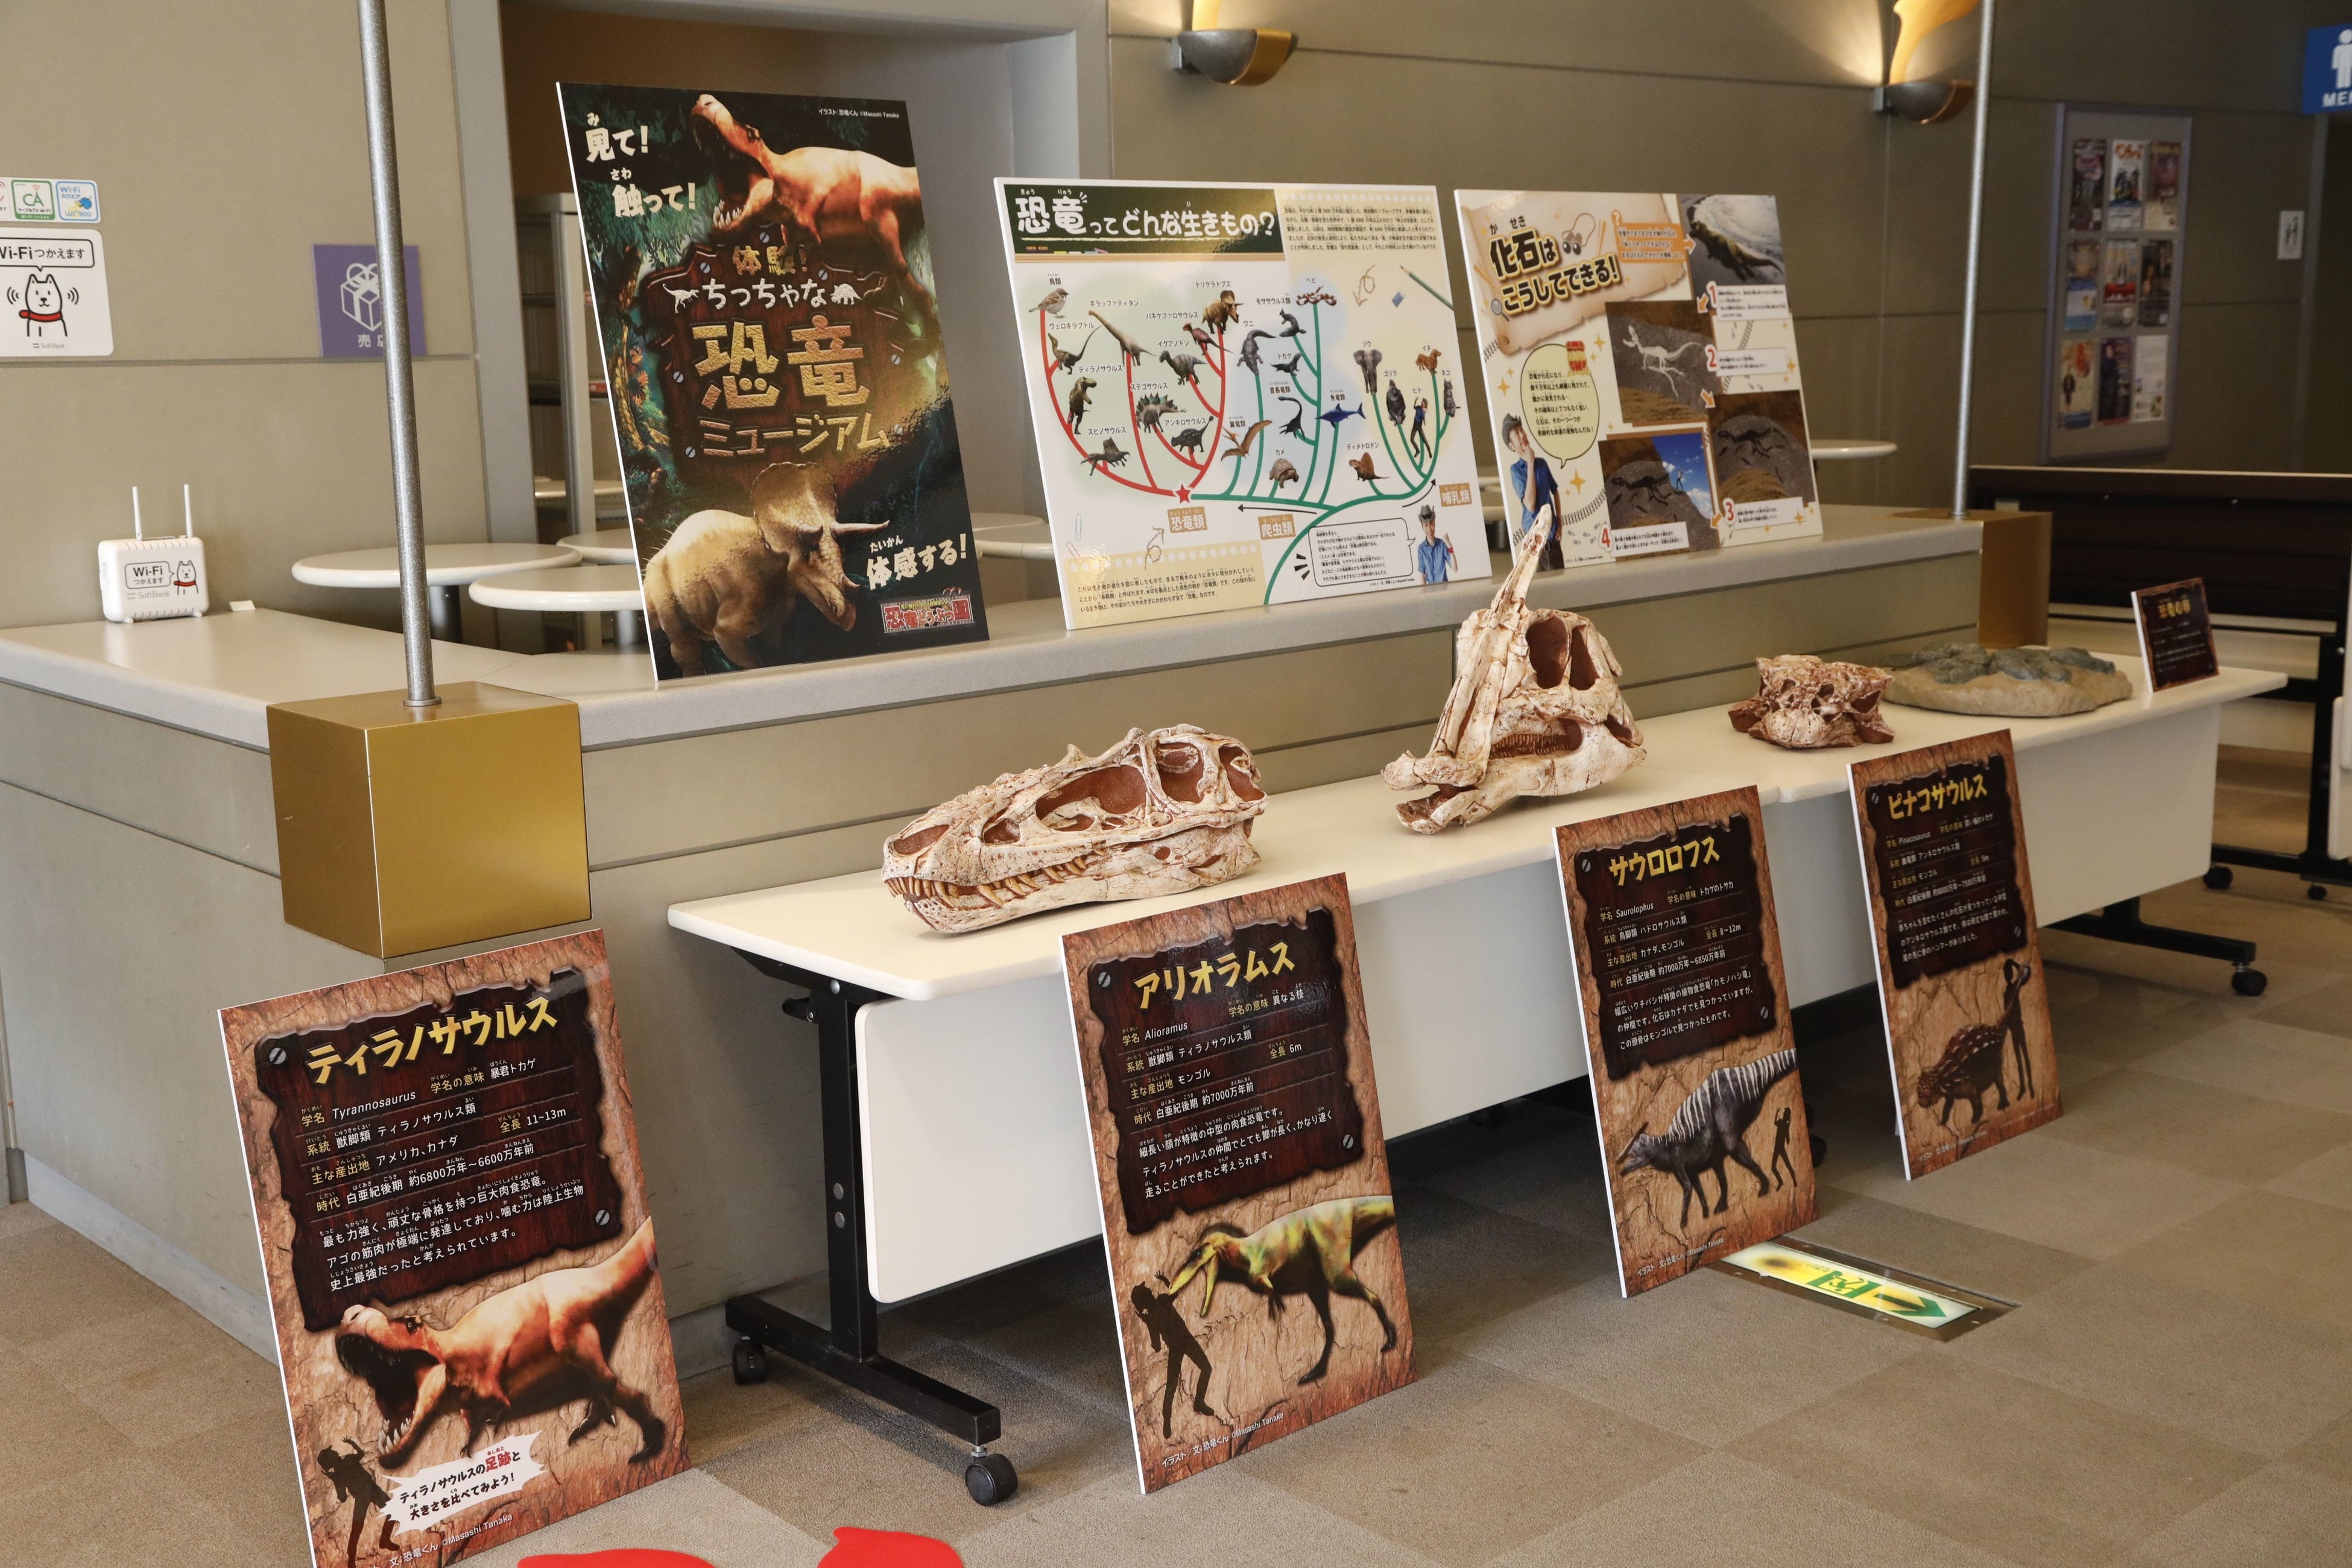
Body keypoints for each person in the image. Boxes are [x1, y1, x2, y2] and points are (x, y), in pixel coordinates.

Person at [1131, 1283, 1215, 1437]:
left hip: (1180, 1344)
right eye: (1146, 1291)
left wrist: (1148, 1323)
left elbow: (1157, 1347)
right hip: (1183, 1342)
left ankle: (1182, 1411)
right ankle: (1195, 1404)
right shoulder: (1161, 1302)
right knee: (1203, 1370)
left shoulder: (1155, 1312)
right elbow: (1177, 1291)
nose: (1150, 1290)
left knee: (1173, 1385)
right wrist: (1149, 1323)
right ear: (1145, 1298)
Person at [1501, 414, 1565, 569]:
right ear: (1512, 446)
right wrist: (1530, 462)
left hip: (1553, 544)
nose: (1522, 434)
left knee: (1562, 582)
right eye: (1516, 433)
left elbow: (1555, 491)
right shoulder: (1516, 470)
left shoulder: (1542, 464)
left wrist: (1559, 523)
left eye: (1521, 429)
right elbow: (1530, 505)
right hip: (1535, 549)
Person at [1414, 504, 1454, 584]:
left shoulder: (1442, 544)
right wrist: (1424, 591)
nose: (1429, 529)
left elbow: (1455, 569)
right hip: (1430, 589)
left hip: (1445, 587)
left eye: (1431, 524)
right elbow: (1422, 574)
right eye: (1426, 525)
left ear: (1435, 524)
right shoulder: (1421, 549)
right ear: (1422, 527)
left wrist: (1450, 546)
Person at [1769, 1105, 1799, 1191]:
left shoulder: (1784, 1124)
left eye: (1785, 1114)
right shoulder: (1783, 1123)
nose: (1784, 1115)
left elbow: (1787, 1136)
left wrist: (1777, 1113)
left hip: (1780, 1147)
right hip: (1778, 1147)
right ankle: (1781, 1181)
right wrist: (1777, 1113)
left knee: (1787, 1164)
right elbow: (1776, 1123)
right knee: (1774, 1167)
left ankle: (1793, 1178)